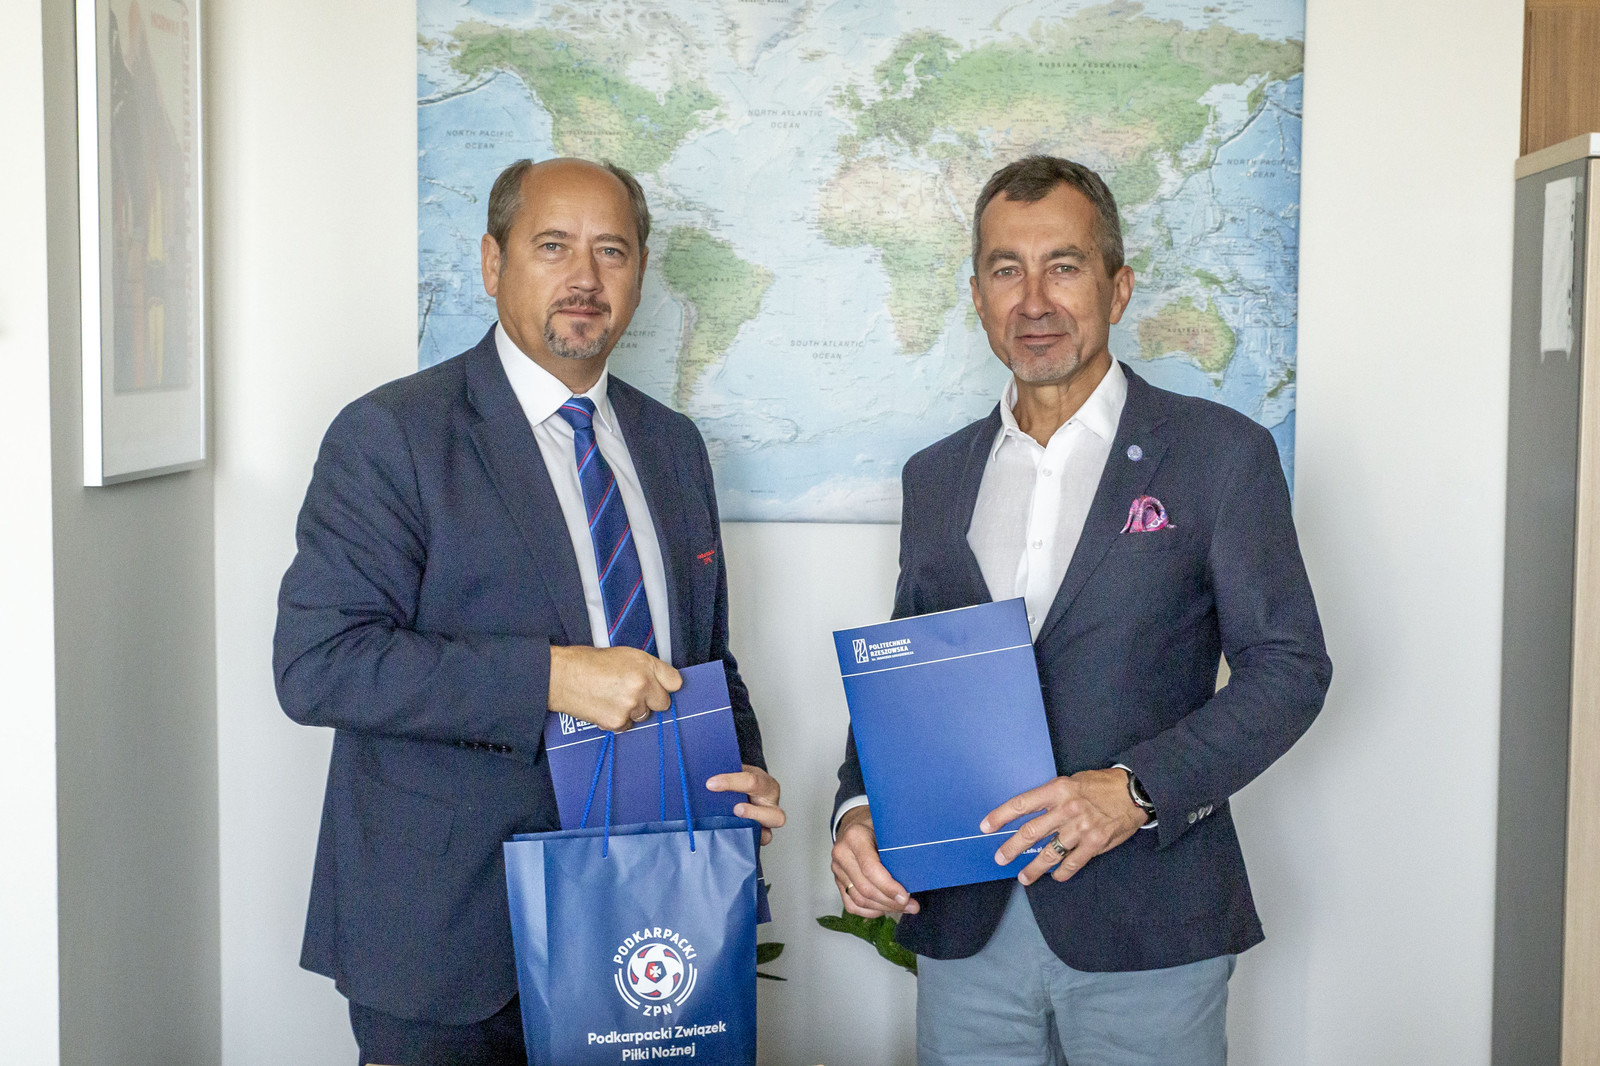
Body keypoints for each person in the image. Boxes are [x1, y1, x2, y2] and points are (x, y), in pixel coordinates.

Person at [274, 157, 785, 1066]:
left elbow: (705, 659)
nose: (584, 277)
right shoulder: (393, 434)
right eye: (553, 246)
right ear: (492, 262)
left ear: (639, 274)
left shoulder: (672, 446)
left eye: (611, 251)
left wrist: (742, 768)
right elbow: (321, 663)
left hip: (652, 924)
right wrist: (552, 676)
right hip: (451, 941)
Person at [829, 155, 1331, 1065]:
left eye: (1062, 266)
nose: (1034, 301)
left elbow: (1291, 668)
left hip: (1149, 921)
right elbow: (906, 680)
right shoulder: (934, 476)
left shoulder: (1220, 455)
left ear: (1118, 287)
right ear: (977, 296)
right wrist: (858, 812)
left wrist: (1136, 791)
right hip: (965, 922)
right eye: (1005, 270)